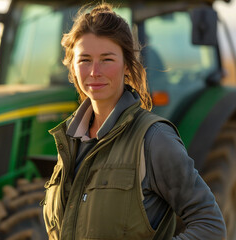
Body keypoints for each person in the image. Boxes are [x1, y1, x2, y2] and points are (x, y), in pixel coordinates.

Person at [42, 3, 226, 240]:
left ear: (127, 65)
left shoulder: (154, 139)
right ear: (72, 66)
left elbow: (210, 225)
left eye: (107, 59)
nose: (94, 71)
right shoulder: (68, 140)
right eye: (84, 59)